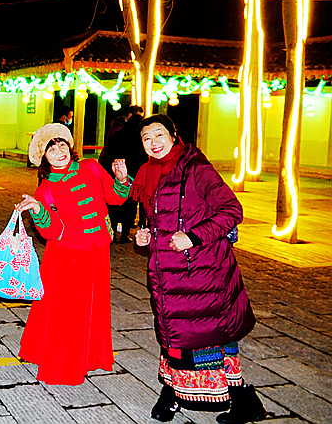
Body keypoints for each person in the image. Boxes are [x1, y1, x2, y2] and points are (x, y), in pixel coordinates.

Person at [131, 114, 264, 424]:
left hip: (203, 273)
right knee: (174, 336)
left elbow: (232, 210)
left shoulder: (196, 168)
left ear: (174, 135)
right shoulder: (148, 172)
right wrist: (146, 235)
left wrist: (193, 237)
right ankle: (173, 391)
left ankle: (241, 401)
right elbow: (159, 218)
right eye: (146, 138)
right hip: (167, 273)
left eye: (159, 134)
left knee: (208, 338)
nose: (154, 142)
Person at [15, 123, 130, 385]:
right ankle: (63, 364)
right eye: (51, 149)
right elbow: (53, 232)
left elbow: (115, 198)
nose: (59, 151)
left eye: (62, 145)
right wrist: (38, 210)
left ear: (70, 146)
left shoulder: (91, 167)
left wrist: (122, 180)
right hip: (67, 255)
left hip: (98, 249)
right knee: (66, 312)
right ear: (44, 158)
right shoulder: (45, 189)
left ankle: (89, 357)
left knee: (92, 306)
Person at [101, 105, 147, 242]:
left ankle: (112, 232)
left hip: (114, 175)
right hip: (132, 178)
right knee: (129, 207)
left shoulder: (117, 135)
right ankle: (125, 234)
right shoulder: (139, 141)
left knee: (114, 205)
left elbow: (108, 154)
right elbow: (143, 160)